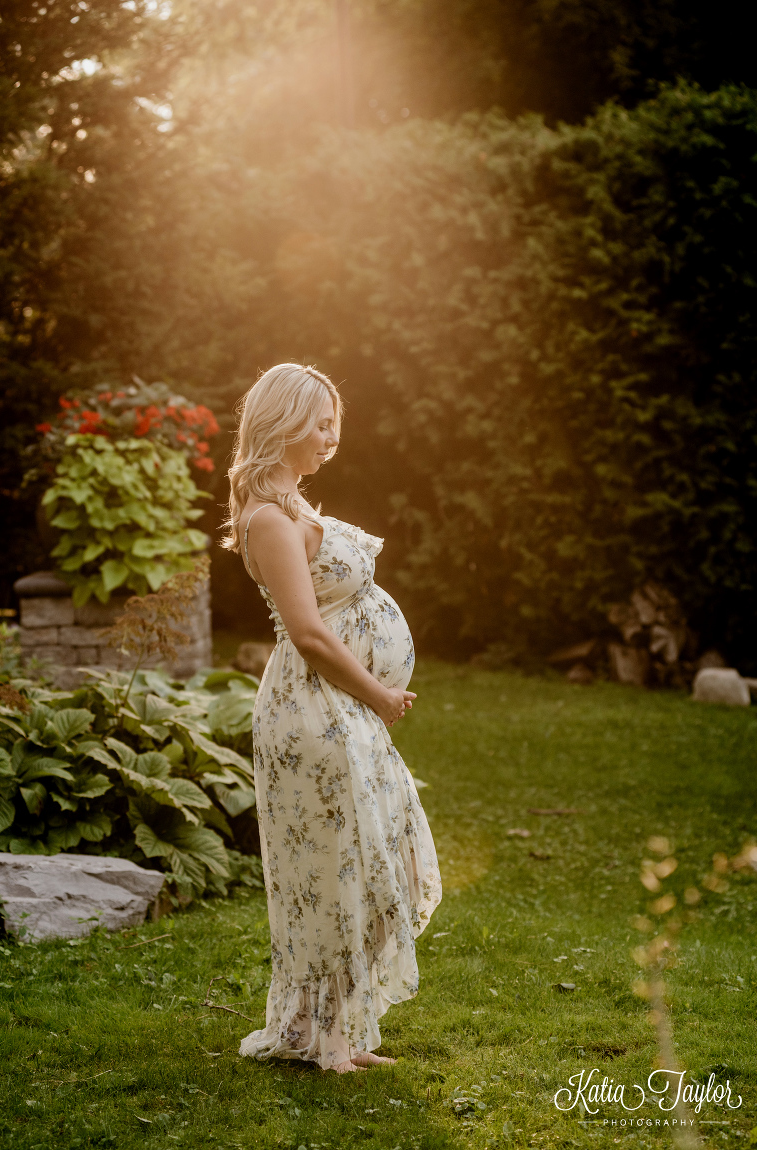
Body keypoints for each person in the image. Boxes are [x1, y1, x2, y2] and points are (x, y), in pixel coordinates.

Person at [221, 363, 442, 1074]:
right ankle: (318, 1037)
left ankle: (333, 1032)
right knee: (335, 870)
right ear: (281, 423)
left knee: (376, 861)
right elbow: (309, 635)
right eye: (319, 423)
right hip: (312, 713)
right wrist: (379, 695)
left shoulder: (295, 507)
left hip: (340, 709)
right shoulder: (267, 519)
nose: (330, 436)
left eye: (333, 423)